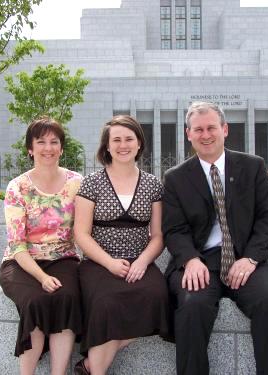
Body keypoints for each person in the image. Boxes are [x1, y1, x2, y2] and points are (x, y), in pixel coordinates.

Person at [162, 102, 268, 375]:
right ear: (188, 134)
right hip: (201, 261)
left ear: (225, 129)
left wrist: (252, 258)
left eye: (211, 128)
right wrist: (190, 260)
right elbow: (174, 229)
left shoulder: (253, 167)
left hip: (247, 258)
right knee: (192, 307)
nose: (205, 135)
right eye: (198, 129)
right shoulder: (175, 178)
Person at [74, 115, 169, 375]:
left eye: (129, 139)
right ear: (106, 146)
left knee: (158, 296)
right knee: (106, 303)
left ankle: (90, 366)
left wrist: (142, 262)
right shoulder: (91, 183)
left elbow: (158, 235)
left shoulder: (153, 184)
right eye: (116, 139)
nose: (122, 145)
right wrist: (110, 263)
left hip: (140, 262)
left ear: (139, 143)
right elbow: (81, 234)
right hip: (98, 263)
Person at [0, 117, 83, 375]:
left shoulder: (77, 183)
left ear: (61, 146)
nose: (48, 147)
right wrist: (42, 277)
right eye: (41, 142)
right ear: (30, 148)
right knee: (35, 302)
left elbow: (84, 232)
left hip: (64, 258)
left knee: (67, 298)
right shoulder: (18, 187)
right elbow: (17, 244)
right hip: (22, 261)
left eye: (54, 141)